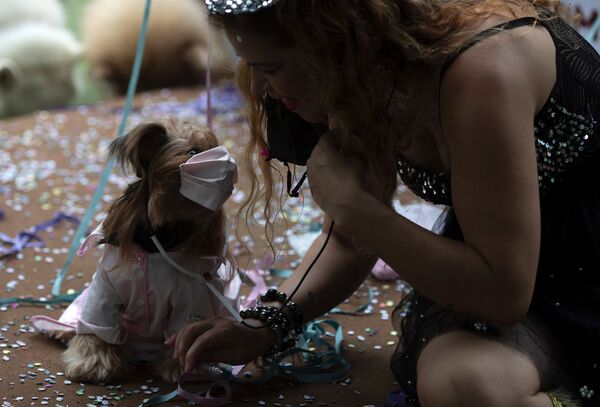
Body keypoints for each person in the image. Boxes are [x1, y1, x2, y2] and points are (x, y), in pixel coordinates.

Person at [166, 1, 600, 406]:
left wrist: (358, 208)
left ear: (334, 42)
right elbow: (348, 241)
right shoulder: (363, 79)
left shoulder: (483, 70)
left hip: (553, 271)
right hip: (521, 272)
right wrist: (264, 326)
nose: (258, 86)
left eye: (270, 67)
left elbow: (504, 294)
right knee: (457, 384)